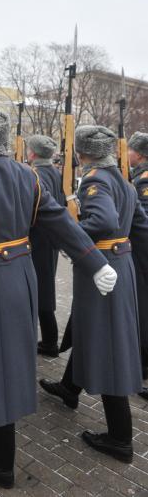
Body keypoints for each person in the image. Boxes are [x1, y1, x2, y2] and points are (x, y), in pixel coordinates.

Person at [0, 108, 115, 489]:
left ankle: (1, 464)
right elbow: (61, 223)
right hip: (23, 274)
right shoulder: (26, 174)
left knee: (0, 365)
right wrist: (95, 263)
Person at [40, 125, 148, 464]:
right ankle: (69, 388)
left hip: (102, 267)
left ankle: (119, 438)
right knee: (90, 330)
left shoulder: (95, 180)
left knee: (109, 345)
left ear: (82, 152)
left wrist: (67, 236)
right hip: (121, 264)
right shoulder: (126, 183)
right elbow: (139, 226)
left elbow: (101, 220)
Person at [27, 134, 65, 357]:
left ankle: (50, 341)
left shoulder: (37, 174)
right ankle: (50, 340)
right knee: (44, 287)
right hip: (50, 237)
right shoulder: (53, 171)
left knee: (40, 289)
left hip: (38, 238)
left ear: (33, 153)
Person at [127, 131, 148, 398]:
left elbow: (143, 221)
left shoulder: (143, 181)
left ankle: (143, 363)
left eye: (130, 150)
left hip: (143, 253)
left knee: (143, 306)